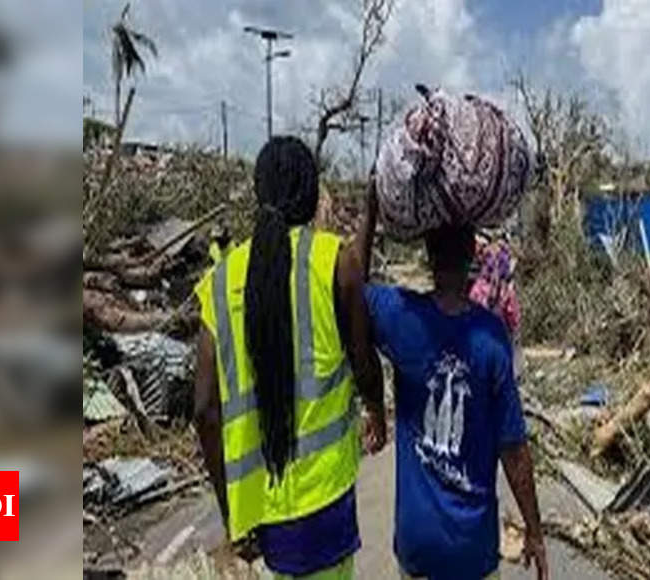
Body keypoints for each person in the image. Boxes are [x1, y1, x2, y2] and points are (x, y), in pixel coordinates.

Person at [193, 136, 385, 579]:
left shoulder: (219, 283)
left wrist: (233, 517)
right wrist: (376, 409)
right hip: (325, 498)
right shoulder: (333, 261)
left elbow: (204, 410)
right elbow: (363, 360)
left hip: (262, 506)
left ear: (259, 194)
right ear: (315, 194)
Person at [358, 182, 549, 580]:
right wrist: (534, 530)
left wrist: (372, 208)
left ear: (428, 256)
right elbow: (513, 450)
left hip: (417, 546)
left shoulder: (400, 316)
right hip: (472, 551)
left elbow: (351, 293)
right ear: (471, 258)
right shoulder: (491, 337)